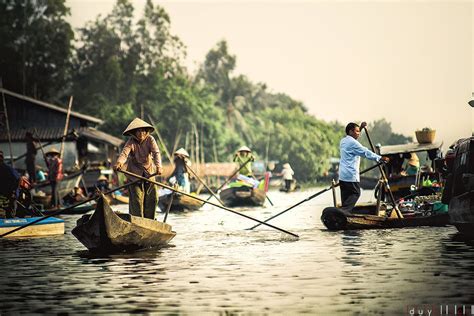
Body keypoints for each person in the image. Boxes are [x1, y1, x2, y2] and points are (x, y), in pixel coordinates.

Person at [114, 118, 162, 219]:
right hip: (134, 174)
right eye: (138, 131)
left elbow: (156, 153)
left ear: (146, 131)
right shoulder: (131, 142)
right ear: (134, 133)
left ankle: (149, 221)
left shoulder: (150, 139)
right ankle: (137, 220)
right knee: (137, 199)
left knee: (153, 198)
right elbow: (124, 153)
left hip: (149, 172)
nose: (141, 133)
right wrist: (119, 162)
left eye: (143, 131)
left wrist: (159, 166)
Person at [339, 122, 389, 211]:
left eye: (359, 131)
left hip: (342, 175)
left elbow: (354, 142)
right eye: (357, 131)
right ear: (350, 131)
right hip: (351, 174)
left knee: (346, 198)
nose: (358, 133)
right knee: (356, 193)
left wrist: (361, 128)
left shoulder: (343, 141)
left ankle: (343, 214)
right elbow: (365, 152)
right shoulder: (353, 143)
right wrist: (380, 158)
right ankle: (344, 212)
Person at [0, 151, 20, 217]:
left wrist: (13, 192)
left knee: (10, 214)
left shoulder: (8, 169)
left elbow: (17, 179)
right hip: (3, 195)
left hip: (10, 195)